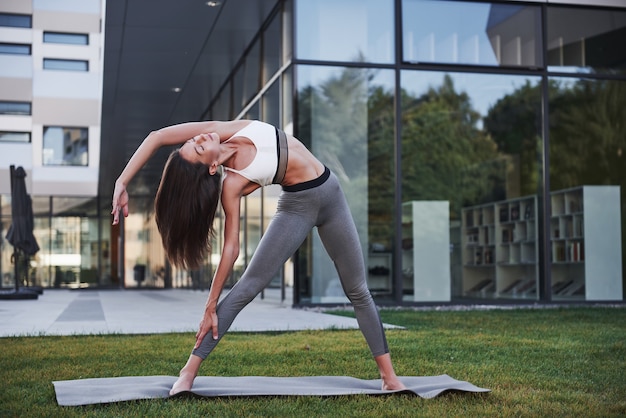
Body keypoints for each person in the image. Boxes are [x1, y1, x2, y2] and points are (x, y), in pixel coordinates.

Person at [111, 120, 406, 395]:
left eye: (194, 140)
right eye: (199, 147)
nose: (199, 137)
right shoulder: (232, 185)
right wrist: (210, 304)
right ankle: (188, 372)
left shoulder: (226, 129)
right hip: (297, 208)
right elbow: (231, 248)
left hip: (332, 195)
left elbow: (157, 137)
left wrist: (122, 182)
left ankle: (389, 379)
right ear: (212, 166)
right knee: (246, 288)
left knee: (358, 289)